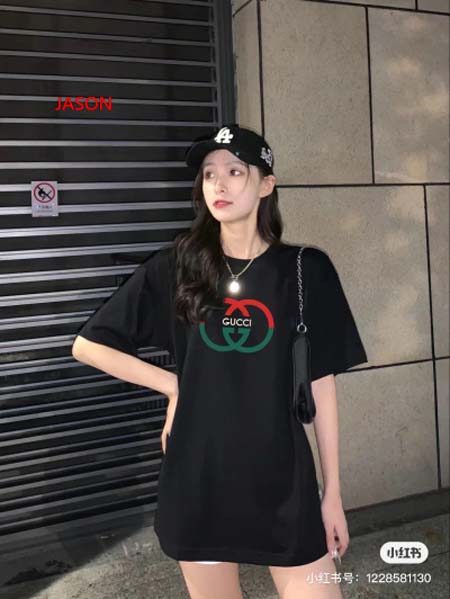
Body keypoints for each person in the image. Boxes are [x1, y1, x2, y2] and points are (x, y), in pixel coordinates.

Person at [72, 123, 368, 599]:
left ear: (266, 185)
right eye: (209, 174)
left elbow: (321, 384)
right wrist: (173, 386)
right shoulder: (179, 266)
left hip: (281, 479)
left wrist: (332, 493)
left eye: (234, 171)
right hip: (199, 476)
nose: (219, 185)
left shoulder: (304, 270)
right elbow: (89, 345)